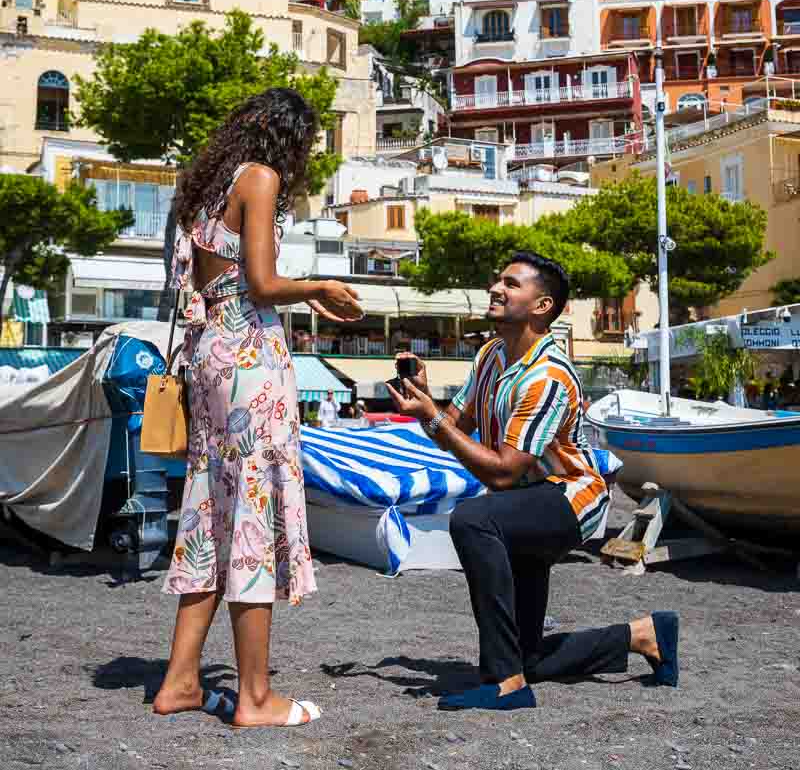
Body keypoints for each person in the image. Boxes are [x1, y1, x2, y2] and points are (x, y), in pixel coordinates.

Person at [388, 250, 679, 712]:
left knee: (473, 519)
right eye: (497, 280)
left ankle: (507, 685)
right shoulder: (490, 355)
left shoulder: (547, 376)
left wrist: (435, 422)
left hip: (569, 497)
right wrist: (426, 404)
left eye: (511, 283)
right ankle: (644, 635)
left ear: (542, 306)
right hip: (524, 505)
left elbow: (503, 473)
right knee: (528, 655)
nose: (495, 289)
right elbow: (455, 431)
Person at [153, 88, 363, 729]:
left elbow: (213, 278)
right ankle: (255, 697)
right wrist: (320, 285)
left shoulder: (205, 185)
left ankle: (181, 682)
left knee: (213, 511)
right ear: (291, 141)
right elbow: (265, 284)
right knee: (253, 515)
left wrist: (301, 292)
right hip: (249, 355)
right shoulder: (262, 178)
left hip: (210, 353)